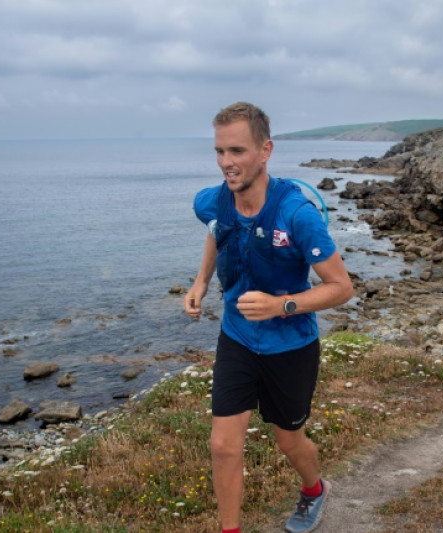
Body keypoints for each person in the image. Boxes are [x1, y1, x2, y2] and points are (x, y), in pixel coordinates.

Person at [184, 101, 354, 533]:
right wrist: (201, 283)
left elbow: (341, 287)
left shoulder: (297, 215)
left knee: (288, 440)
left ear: (266, 151)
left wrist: (282, 305)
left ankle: (315, 489)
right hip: (237, 338)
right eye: (220, 151)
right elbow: (215, 232)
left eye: (237, 151)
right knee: (223, 445)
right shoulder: (212, 200)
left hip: (290, 345)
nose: (226, 163)